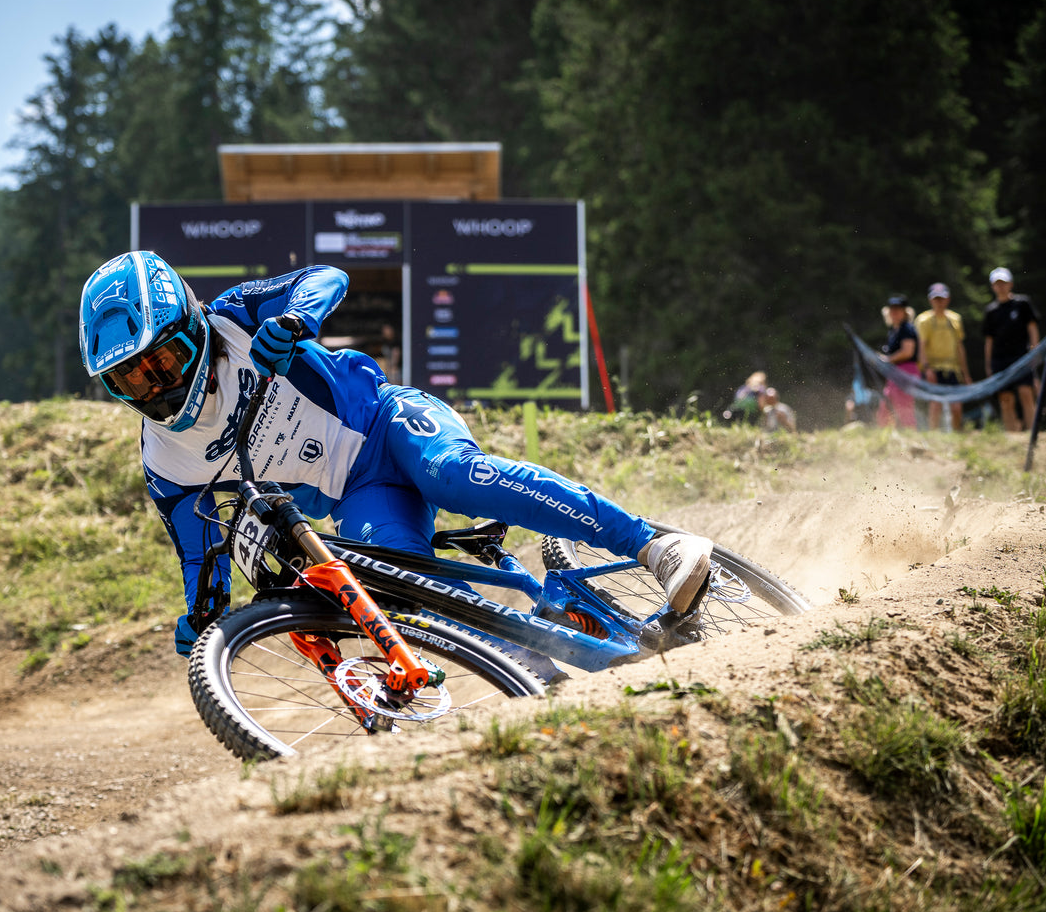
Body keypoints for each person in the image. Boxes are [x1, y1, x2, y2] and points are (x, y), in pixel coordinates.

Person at [78, 251, 714, 657]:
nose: (154, 386)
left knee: (451, 476)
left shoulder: (234, 319)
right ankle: (557, 618)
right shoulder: (165, 461)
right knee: (405, 599)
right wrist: (201, 619)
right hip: (358, 494)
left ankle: (654, 544)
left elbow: (326, 278)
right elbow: (199, 556)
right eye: (129, 379)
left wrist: (295, 322)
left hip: (389, 422)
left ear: (191, 325)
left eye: (163, 360)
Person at [982, 266, 1040, 432]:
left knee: (1026, 393)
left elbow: (1032, 327)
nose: (1001, 286)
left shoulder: (1022, 303)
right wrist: (988, 364)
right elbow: (989, 339)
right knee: (1005, 397)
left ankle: (1032, 433)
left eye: (1003, 283)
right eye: (997, 283)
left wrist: (1035, 351)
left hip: (1022, 356)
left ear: (1010, 284)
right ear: (993, 286)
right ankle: (1011, 433)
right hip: (1000, 359)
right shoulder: (991, 311)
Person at [914, 282, 972, 432]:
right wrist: (927, 369)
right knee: (935, 404)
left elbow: (960, 347)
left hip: (953, 369)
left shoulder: (955, 319)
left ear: (948, 299)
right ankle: (933, 435)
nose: (939, 302)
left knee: (956, 406)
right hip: (933, 368)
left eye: (942, 298)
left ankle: (957, 435)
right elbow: (921, 346)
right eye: (936, 299)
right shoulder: (924, 320)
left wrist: (965, 374)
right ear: (930, 300)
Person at [876, 294, 919, 430]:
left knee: (904, 408)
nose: (894, 312)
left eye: (898, 309)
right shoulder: (894, 330)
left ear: (905, 311)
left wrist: (887, 359)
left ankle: (911, 439)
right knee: (885, 408)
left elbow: (908, 351)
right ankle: (888, 437)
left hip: (906, 371)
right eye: (892, 309)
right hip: (894, 374)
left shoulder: (907, 328)